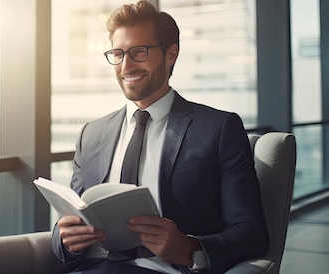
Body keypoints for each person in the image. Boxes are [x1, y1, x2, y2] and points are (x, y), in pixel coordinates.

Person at [51, 1, 268, 273]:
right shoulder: (91, 134)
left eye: (139, 52)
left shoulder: (219, 128)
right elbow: (72, 219)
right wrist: (68, 240)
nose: (126, 65)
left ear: (171, 54)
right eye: (118, 54)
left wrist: (190, 247)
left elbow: (250, 232)